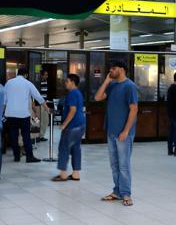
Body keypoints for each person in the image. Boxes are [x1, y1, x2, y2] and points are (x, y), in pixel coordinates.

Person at [95, 60, 138, 206]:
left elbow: (134, 109)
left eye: (113, 69)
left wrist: (126, 131)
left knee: (124, 165)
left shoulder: (130, 86)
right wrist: (107, 80)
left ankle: (126, 194)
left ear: (122, 69)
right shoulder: (112, 85)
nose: (110, 71)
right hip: (111, 131)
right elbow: (97, 97)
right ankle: (117, 191)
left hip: (123, 133)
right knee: (114, 165)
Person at [4, 68, 50, 163]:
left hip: (11, 114)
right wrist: (46, 108)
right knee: (26, 136)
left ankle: (16, 156)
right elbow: (38, 97)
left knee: (13, 136)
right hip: (23, 114)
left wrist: (3, 112)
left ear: (17, 73)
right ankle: (29, 157)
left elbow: (4, 99)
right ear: (26, 75)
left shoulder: (8, 83)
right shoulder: (28, 83)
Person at [52, 74, 86, 182]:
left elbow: (72, 110)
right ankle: (76, 174)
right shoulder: (78, 93)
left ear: (72, 82)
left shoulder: (72, 93)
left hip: (72, 126)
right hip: (80, 124)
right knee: (76, 148)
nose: (65, 83)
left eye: (67, 81)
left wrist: (64, 124)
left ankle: (63, 175)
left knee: (63, 148)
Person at [37, 68, 50, 142]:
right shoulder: (38, 83)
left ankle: (41, 135)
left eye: (47, 75)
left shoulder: (45, 82)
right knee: (40, 121)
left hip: (45, 103)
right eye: (45, 75)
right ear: (41, 76)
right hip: (40, 104)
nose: (47, 76)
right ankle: (39, 136)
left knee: (46, 120)